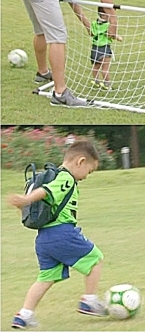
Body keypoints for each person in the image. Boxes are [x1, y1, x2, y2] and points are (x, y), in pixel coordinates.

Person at [8, 139, 107, 328]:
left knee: (46, 277)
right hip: (62, 233)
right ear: (81, 162)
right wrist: (26, 200)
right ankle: (89, 299)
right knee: (95, 259)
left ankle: (24, 315)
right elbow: (45, 192)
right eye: (89, 171)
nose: (86, 176)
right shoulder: (66, 179)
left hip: (43, 239)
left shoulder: (54, 176)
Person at [20, 0, 119, 107]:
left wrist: (88, 26)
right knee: (58, 38)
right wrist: (114, 22)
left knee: (41, 32)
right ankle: (60, 93)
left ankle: (43, 73)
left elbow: (73, 0)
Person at [71, 4, 122, 90]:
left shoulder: (94, 23)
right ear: (104, 14)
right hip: (104, 48)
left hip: (95, 48)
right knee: (105, 68)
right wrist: (118, 37)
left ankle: (96, 81)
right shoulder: (108, 25)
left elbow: (92, 33)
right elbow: (110, 34)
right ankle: (107, 84)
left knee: (96, 66)